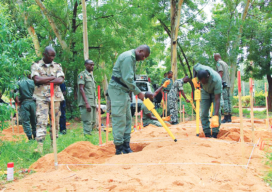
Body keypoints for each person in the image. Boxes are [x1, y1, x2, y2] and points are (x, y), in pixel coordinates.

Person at [108, 45, 150, 155]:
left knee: (127, 119)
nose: (143, 59)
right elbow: (128, 79)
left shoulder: (131, 58)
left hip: (124, 91)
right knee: (119, 119)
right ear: (140, 50)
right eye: (144, 56)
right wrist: (139, 92)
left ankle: (126, 147)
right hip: (117, 91)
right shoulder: (127, 57)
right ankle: (119, 148)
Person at [31, 46, 65, 153]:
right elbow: (37, 80)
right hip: (41, 98)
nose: (53, 58)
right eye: (51, 55)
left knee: (55, 121)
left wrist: (44, 79)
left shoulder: (57, 66)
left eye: (54, 55)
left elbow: (60, 80)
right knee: (41, 120)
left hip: (55, 97)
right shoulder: (36, 66)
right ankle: (40, 146)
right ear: (44, 54)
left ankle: (53, 145)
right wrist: (52, 78)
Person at [193, 63, 222, 138]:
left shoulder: (217, 79)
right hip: (205, 92)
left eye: (204, 82)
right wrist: (194, 78)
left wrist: (215, 116)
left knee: (217, 112)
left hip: (215, 93)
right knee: (203, 113)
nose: (202, 83)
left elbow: (217, 98)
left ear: (207, 77)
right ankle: (207, 132)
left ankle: (215, 132)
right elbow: (194, 68)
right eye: (201, 81)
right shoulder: (200, 68)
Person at [77, 60, 97, 136]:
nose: (92, 66)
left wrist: (95, 104)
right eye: (90, 65)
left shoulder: (91, 76)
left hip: (92, 102)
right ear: (85, 65)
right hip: (86, 102)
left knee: (93, 121)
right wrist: (86, 103)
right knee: (87, 121)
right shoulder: (82, 75)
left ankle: (88, 137)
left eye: (93, 65)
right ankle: (87, 138)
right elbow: (81, 89)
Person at [14, 73, 36, 141]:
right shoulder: (32, 82)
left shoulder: (18, 83)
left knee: (26, 121)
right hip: (33, 103)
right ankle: (35, 135)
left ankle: (30, 138)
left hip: (24, 103)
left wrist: (18, 101)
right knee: (34, 120)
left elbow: (15, 94)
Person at [214, 53, 232, 123]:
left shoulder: (218, 63)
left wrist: (218, 81)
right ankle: (229, 117)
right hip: (228, 84)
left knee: (225, 100)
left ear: (215, 58)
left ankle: (226, 116)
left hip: (223, 83)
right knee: (228, 100)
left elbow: (220, 72)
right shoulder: (225, 63)